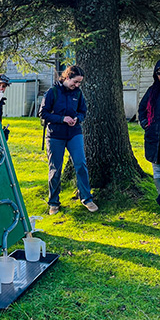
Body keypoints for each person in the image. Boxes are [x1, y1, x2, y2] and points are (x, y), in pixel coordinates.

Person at [39, 65, 98, 215]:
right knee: (55, 169)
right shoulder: (52, 92)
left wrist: (77, 118)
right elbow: (43, 113)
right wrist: (61, 119)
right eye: (75, 82)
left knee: (80, 164)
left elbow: (83, 111)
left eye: (79, 83)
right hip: (55, 135)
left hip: (74, 133)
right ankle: (53, 202)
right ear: (67, 77)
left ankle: (87, 198)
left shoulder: (78, 94)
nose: (77, 85)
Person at [138, 58, 160, 213]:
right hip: (155, 138)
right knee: (158, 171)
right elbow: (142, 109)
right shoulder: (153, 91)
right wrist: (145, 125)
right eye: (158, 73)